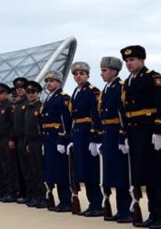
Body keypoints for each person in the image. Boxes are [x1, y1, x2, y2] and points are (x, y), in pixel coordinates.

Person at [121, 45, 161, 228]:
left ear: (142, 60)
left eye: (132, 60)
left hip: (151, 131)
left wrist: (160, 131)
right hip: (136, 134)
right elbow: (126, 110)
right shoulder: (128, 82)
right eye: (126, 61)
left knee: (157, 175)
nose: (129, 63)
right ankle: (152, 214)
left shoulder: (153, 77)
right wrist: (126, 134)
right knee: (145, 176)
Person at [96, 56, 132, 223]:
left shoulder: (121, 87)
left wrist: (123, 136)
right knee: (111, 174)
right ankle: (120, 210)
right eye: (102, 70)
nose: (101, 73)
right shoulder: (106, 89)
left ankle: (126, 210)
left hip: (117, 133)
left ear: (114, 71)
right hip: (107, 134)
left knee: (122, 173)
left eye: (104, 70)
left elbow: (123, 113)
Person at [68, 61, 103, 216]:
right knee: (83, 170)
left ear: (88, 75)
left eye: (81, 73)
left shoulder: (92, 91)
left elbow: (97, 115)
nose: (78, 76)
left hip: (88, 133)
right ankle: (92, 203)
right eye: (75, 74)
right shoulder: (76, 91)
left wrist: (96, 137)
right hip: (78, 133)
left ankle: (97, 204)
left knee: (91, 169)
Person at [41, 70, 73, 213]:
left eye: (52, 81)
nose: (49, 83)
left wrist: (62, 139)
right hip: (48, 138)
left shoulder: (62, 98)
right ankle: (60, 200)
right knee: (52, 170)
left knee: (61, 171)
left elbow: (65, 121)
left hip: (57, 138)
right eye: (47, 81)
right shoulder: (49, 98)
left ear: (59, 82)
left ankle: (66, 201)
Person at [0, 83, 19, 203]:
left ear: (6, 94)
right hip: (0, 140)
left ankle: (12, 192)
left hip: (8, 139)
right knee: (2, 167)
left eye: (1, 93)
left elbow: (14, 124)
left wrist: (12, 138)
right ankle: (4, 190)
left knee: (10, 167)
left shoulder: (10, 106)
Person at [22, 81, 46, 209]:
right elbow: (26, 127)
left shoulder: (41, 107)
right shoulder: (27, 108)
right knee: (32, 171)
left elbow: (43, 126)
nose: (30, 94)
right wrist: (26, 142)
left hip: (39, 142)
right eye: (29, 92)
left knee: (40, 171)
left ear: (38, 94)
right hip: (30, 143)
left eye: (33, 92)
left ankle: (42, 197)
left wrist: (43, 143)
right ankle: (34, 196)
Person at [11, 77, 29, 204]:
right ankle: (22, 192)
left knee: (29, 169)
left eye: (22, 88)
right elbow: (14, 124)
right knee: (21, 168)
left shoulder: (29, 103)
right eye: (17, 88)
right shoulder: (17, 105)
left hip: (26, 139)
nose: (20, 90)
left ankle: (31, 193)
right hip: (18, 140)